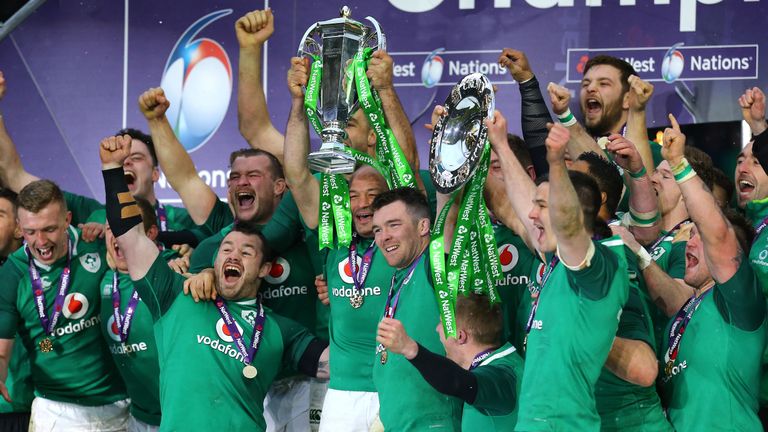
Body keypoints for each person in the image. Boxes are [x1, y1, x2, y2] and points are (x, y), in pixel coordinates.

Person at [99, 134, 330, 430]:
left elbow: (339, 362)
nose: (234, 256)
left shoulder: (280, 330)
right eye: (226, 250)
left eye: (246, 252)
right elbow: (131, 237)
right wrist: (112, 170)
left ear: (263, 269)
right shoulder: (173, 296)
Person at [488, 111, 629, 429]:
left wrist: (554, 164)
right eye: (537, 204)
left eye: (543, 207)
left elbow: (569, 229)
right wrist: (499, 144)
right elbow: (523, 205)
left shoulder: (602, 268)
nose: (532, 215)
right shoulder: (555, 265)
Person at [627, 114, 766, 430]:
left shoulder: (739, 303)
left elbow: (718, 234)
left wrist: (678, 165)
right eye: (688, 236)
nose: (689, 244)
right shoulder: (682, 316)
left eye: (698, 237)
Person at [0, 180, 128, 431]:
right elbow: (2, 350)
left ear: (67, 219)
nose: (40, 242)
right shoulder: (12, 273)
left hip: (121, 403)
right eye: (30, 231)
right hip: (56, 410)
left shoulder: (98, 243)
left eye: (49, 229)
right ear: (19, 227)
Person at [368, 187, 462, 430]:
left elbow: (448, 224)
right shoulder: (398, 277)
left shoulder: (434, 265)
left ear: (423, 227)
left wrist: (444, 183)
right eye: (378, 229)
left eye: (394, 225)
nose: (383, 236)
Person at [377, 292, 522, 430]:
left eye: (441, 323)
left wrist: (411, 349)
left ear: (460, 336)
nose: (436, 329)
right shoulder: (505, 364)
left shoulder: (504, 376)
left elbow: (459, 382)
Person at [100, 195, 174, 431]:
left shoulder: (171, 271)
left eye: (128, 227)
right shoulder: (101, 281)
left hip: (181, 417)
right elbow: (50, 343)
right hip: (137, 417)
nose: (119, 234)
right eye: (112, 227)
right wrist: (47, 346)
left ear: (151, 233)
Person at [0, 187, 33, 432]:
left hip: (25, 409)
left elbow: (54, 342)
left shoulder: (43, 276)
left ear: (20, 228)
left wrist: (44, 346)